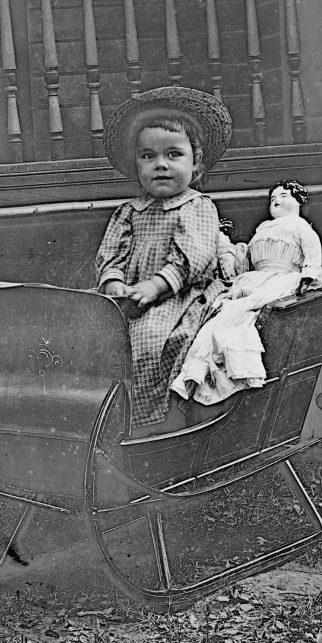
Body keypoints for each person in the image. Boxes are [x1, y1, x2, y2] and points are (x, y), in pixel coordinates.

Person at [96, 86, 233, 429]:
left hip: (180, 297)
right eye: (148, 156)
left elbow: (195, 258)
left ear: (195, 162)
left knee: (154, 340)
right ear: (136, 163)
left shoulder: (196, 207)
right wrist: (114, 282)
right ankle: (107, 419)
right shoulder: (130, 212)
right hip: (130, 299)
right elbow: (111, 253)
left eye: (173, 154)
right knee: (97, 339)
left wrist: (157, 286)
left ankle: (150, 421)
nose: (160, 165)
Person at [171, 179, 322, 406]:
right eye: (273, 198)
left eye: (283, 195)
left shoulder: (301, 227)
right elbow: (243, 264)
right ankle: (195, 373)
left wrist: (308, 276)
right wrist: (223, 240)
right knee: (220, 318)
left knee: (235, 312)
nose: (276, 200)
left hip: (282, 281)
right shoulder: (262, 229)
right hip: (254, 280)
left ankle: (238, 368)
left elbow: (313, 255)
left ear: (298, 201)